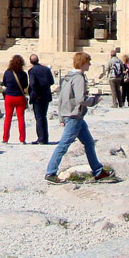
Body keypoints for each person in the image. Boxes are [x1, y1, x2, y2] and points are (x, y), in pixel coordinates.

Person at [45, 52, 114, 184]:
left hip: (71, 115)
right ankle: (51, 172)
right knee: (63, 145)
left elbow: (61, 98)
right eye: (88, 62)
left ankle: (98, 171)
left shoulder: (67, 77)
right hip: (74, 116)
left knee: (89, 143)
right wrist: (94, 100)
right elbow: (80, 99)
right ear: (82, 63)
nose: (90, 64)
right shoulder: (78, 78)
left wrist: (61, 117)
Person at [27, 54, 55, 144]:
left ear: (30, 62)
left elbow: (33, 83)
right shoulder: (46, 69)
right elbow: (51, 81)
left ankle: (41, 139)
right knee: (43, 116)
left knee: (39, 117)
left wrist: (37, 93)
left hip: (37, 96)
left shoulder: (32, 71)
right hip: (46, 95)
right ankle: (45, 138)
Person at [1, 55, 29, 144]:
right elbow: (25, 85)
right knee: (21, 118)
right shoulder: (23, 74)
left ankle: (5, 139)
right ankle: (22, 139)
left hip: (9, 97)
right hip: (19, 97)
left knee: (8, 118)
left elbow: (4, 83)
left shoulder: (7, 73)